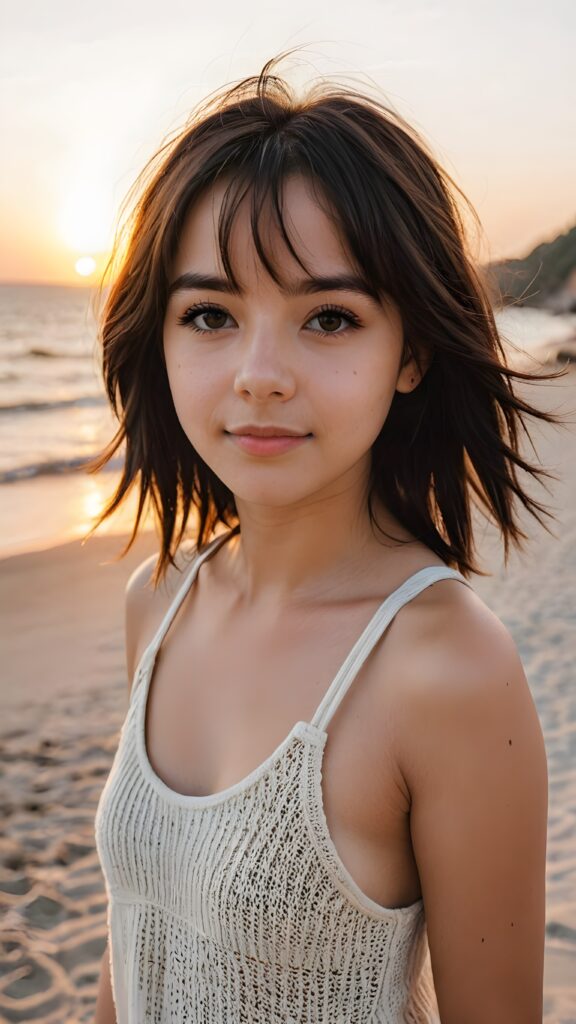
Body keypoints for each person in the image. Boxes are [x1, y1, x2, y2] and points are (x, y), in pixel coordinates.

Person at [89, 49, 565, 1023]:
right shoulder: (160, 599)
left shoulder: (447, 669)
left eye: (330, 318)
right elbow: (131, 949)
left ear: (411, 353)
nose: (259, 373)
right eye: (212, 312)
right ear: (162, 335)